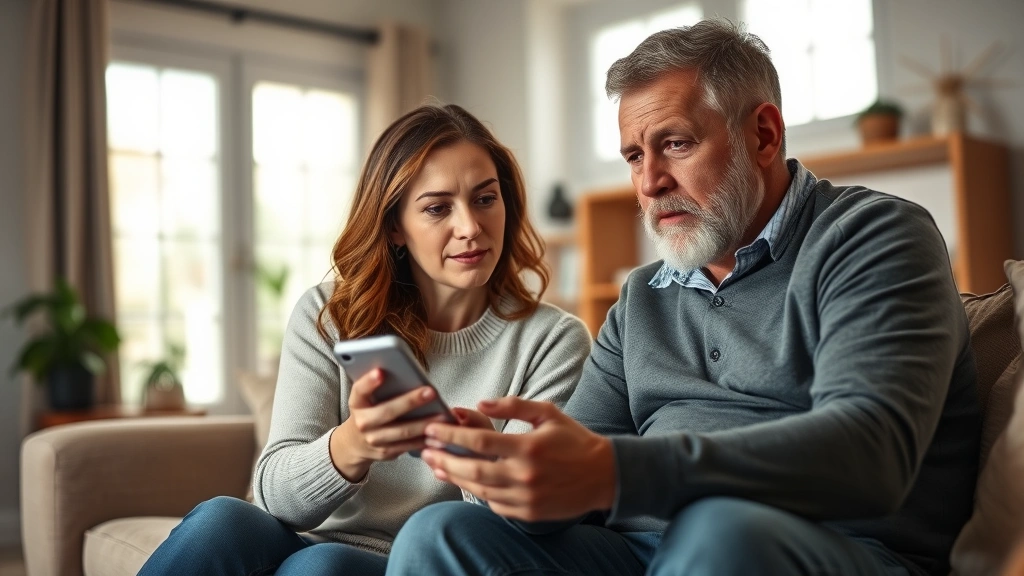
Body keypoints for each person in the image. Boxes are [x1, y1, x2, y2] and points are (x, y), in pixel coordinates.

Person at [385, 20, 980, 576]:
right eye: (635, 156)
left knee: (719, 530)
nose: (649, 184)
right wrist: (510, 473)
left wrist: (612, 471)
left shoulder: (873, 238)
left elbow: (872, 454)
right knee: (442, 531)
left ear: (763, 135)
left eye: (675, 144)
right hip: (644, 550)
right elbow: (575, 475)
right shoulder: (643, 298)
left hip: (827, 547)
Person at [137, 104, 592, 576]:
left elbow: (522, 530)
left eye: (485, 199)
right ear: (395, 226)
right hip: (305, 535)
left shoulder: (554, 342)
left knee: (321, 566)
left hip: (420, 558)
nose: (470, 227)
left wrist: (475, 462)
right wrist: (353, 443)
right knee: (220, 519)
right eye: (438, 208)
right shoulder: (330, 313)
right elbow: (276, 495)